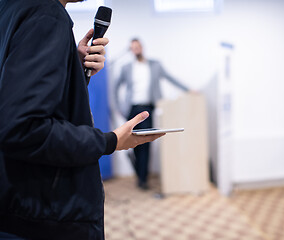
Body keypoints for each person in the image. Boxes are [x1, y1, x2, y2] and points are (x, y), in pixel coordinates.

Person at [0, 0, 164, 239]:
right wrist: (110, 141)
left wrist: (71, 67)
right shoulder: (46, 15)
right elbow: (22, 128)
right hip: (44, 214)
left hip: (17, 205)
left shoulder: (13, 8)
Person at [114, 38, 189, 190]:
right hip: (132, 109)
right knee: (134, 142)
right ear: (131, 50)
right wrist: (119, 107)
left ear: (142, 47)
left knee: (146, 143)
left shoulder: (155, 65)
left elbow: (170, 78)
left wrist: (188, 89)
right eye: (133, 48)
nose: (136, 49)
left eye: (138, 46)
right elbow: (115, 87)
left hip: (148, 108)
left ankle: (143, 179)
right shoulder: (126, 67)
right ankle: (139, 172)